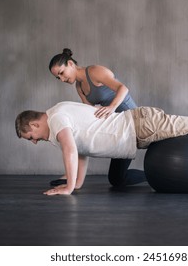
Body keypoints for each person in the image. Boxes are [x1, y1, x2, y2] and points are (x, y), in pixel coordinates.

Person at [15, 101, 188, 196]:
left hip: (143, 125)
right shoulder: (59, 115)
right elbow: (81, 147)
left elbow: (70, 151)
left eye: (31, 137)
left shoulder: (57, 118)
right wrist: (76, 183)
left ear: (34, 124)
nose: (35, 142)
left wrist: (68, 187)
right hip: (137, 132)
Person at [48, 48, 145, 187]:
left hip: (134, 121)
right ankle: (153, 175)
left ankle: (158, 173)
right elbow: (87, 114)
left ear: (70, 63)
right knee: (117, 179)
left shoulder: (94, 71)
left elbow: (123, 88)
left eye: (62, 73)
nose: (62, 79)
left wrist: (111, 107)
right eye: (58, 77)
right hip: (117, 128)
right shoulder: (79, 87)